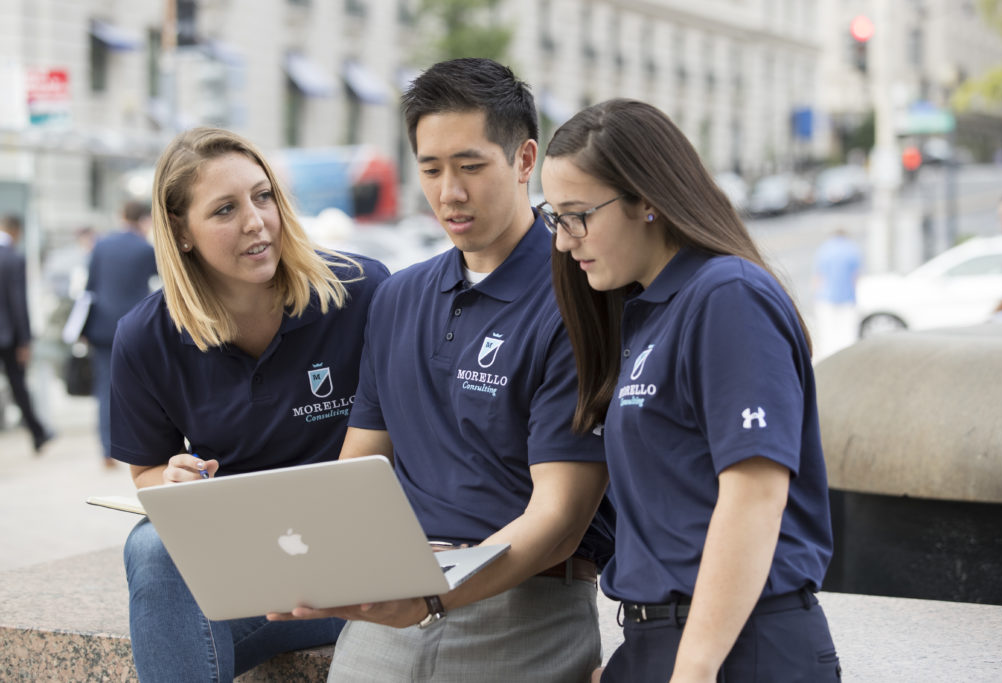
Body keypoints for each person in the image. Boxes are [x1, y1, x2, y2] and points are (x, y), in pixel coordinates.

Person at [270, 58, 614, 683]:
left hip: (524, 606)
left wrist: (433, 595)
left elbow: (561, 518)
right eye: (430, 169)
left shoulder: (578, 294)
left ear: (524, 158)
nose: (449, 192)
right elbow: (360, 472)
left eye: (471, 166)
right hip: (391, 607)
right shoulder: (398, 297)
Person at [540, 99, 839, 682]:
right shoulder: (647, 311)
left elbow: (754, 494)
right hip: (665, 640)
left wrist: (693, 669)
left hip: (739, 647)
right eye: (554, 217)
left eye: (577, 215)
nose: (563, 240)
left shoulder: (728, 295)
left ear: (646, 198)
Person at [111, 127, 389, 682]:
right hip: (255, 569)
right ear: (180, 233)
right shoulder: (146, 336)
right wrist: (173, 480)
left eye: (263, 196)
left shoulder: (360, 290)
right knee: (151, 544)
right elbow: (147, 470)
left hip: (363, 562)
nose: (255, 221)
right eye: (224, 210)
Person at [82, 201, 158, 468]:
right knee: (141, 389)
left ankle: (107, 450)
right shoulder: (145, 249)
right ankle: (138, 449)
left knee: (105, 389)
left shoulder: (101, 245)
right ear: (143, 219)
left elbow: (89, 288)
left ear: (122, 216)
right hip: (137, 330)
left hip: (102, 329)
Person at [0, 214, 53, 453]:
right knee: (18, 385)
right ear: (15, 231)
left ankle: (38, 431)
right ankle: (37, 432)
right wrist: (25, 340)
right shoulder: (13, 258)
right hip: (9, 336)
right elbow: (18, 302)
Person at [813, 228, 862, 359]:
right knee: (847, 332)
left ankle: (829, 360)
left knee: (827, 332)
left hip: (825, 297)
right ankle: (846, 358)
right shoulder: (852, 249)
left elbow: (819, 276)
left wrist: (816, 294)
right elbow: (855, 276)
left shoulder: (825, 249)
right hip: (847, 296)